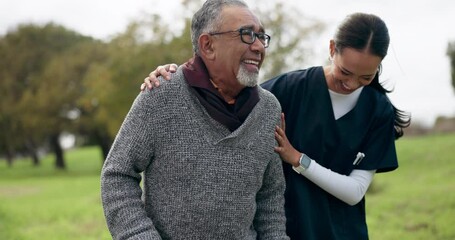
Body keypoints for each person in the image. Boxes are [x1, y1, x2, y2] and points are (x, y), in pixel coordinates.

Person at [141, 12, 411, 239]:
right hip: (284, 231)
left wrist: (298, 160)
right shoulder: (285, 90)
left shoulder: (379, 111)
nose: (351, 85)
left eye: (365, 77)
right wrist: (174, 78)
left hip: (345, 233)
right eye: (345, 72)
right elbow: (220, 96)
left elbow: (354, 192)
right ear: (332, 49)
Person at [101, 0, 289, 239]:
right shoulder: (162, 94)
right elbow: (118, 175)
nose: (259, 47)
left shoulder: (268, 109)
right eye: (247, 34)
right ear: (208, 45)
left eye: (261, 37)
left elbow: (270, 197)